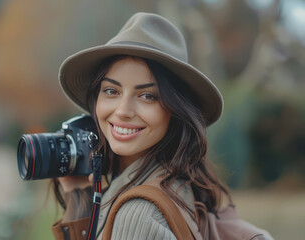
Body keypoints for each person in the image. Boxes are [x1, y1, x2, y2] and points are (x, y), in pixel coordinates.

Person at [51, 12, 269, 240]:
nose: (123, 111)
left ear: (175, 110)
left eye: (147, 96)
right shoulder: (178, 182)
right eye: (111, 91)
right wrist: (79, 199)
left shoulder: (137, 215)